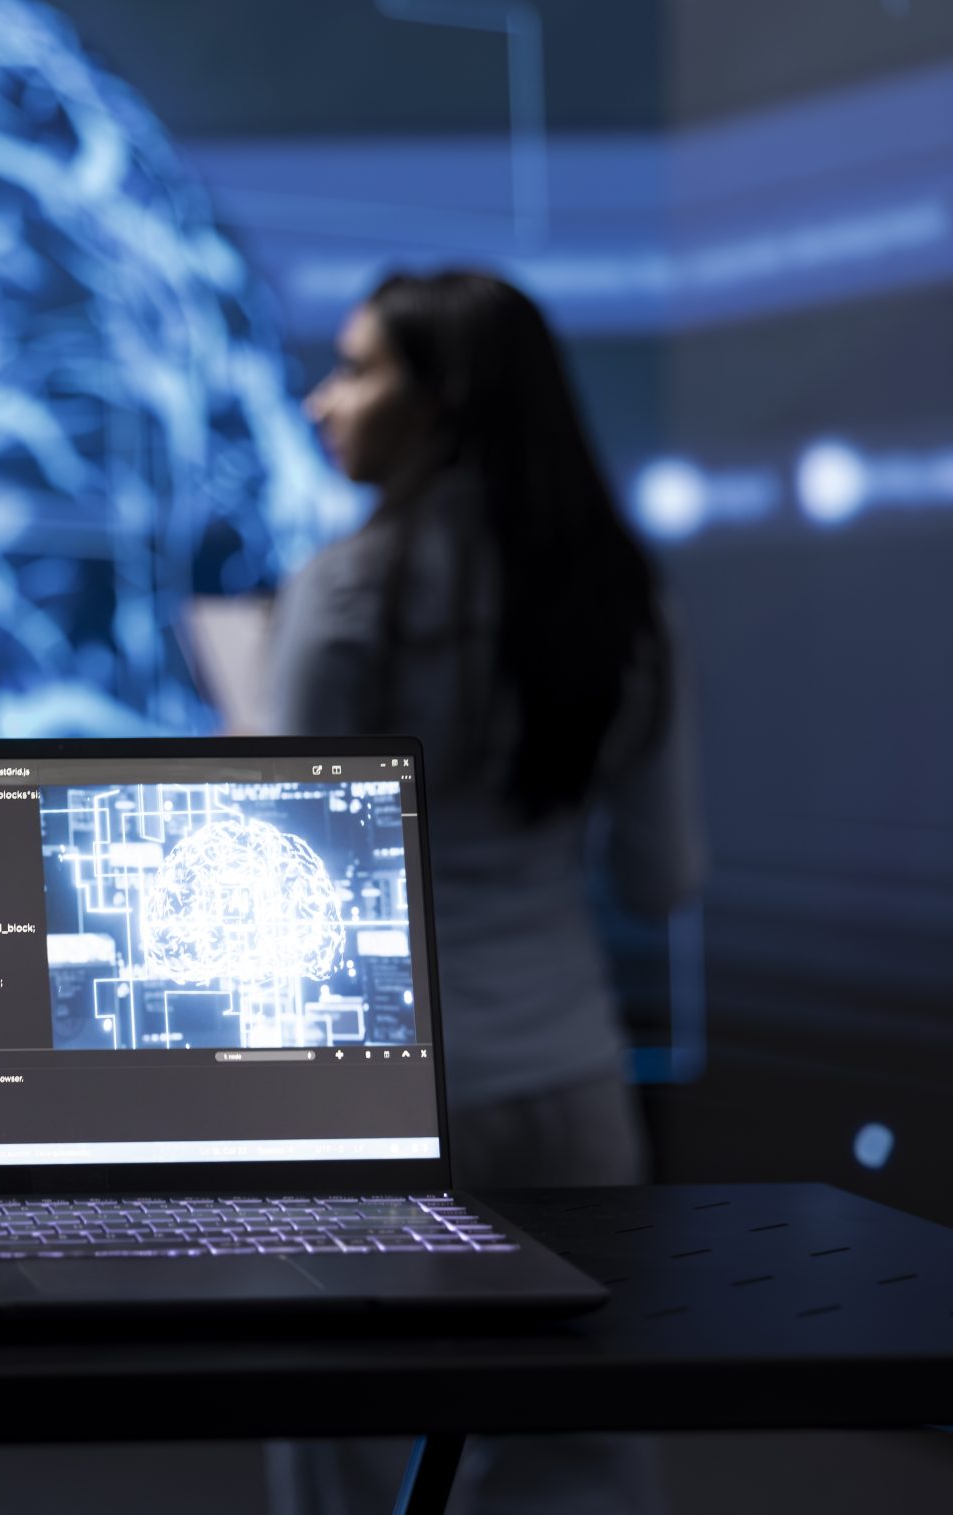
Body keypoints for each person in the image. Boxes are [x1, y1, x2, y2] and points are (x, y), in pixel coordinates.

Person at [263, 270, 706, 1515]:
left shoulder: (341, 595)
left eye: (354, 370)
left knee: (346, 1443)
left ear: (443, 398)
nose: (319, 402)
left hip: (370, 1102)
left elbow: (293, 879)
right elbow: (660, 878)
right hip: (568, 1087)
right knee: (569, 1446)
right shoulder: (624, 600)